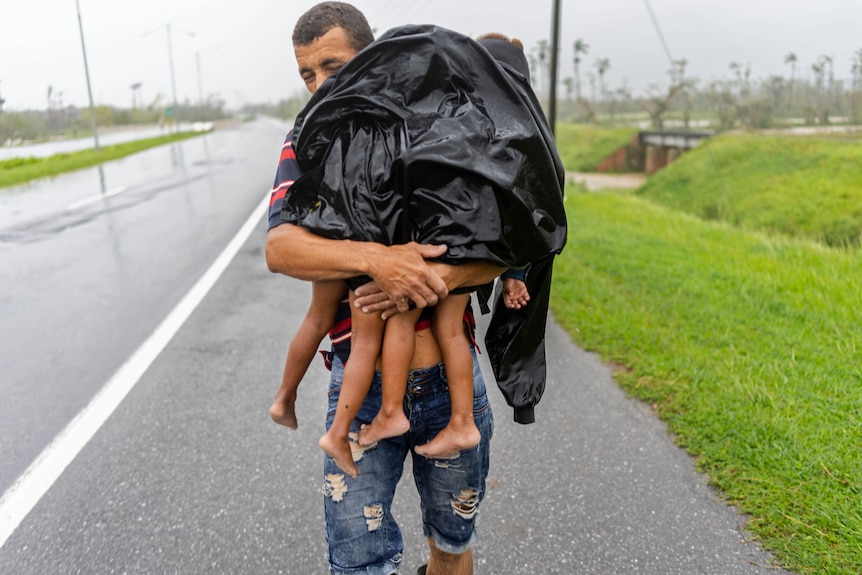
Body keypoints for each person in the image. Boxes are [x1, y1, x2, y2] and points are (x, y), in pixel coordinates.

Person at [267, 3, 504, 574]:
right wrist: (378, 259)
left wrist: (426, 279)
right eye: (307, 74)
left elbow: (503, 248)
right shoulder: (307, 144)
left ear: (371, 59)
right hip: (362, 391)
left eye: (332, 65)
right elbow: (281, 249)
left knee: (451, 546)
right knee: (357, 560)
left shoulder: (439, 128)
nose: (319, 84)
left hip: (453, 391)